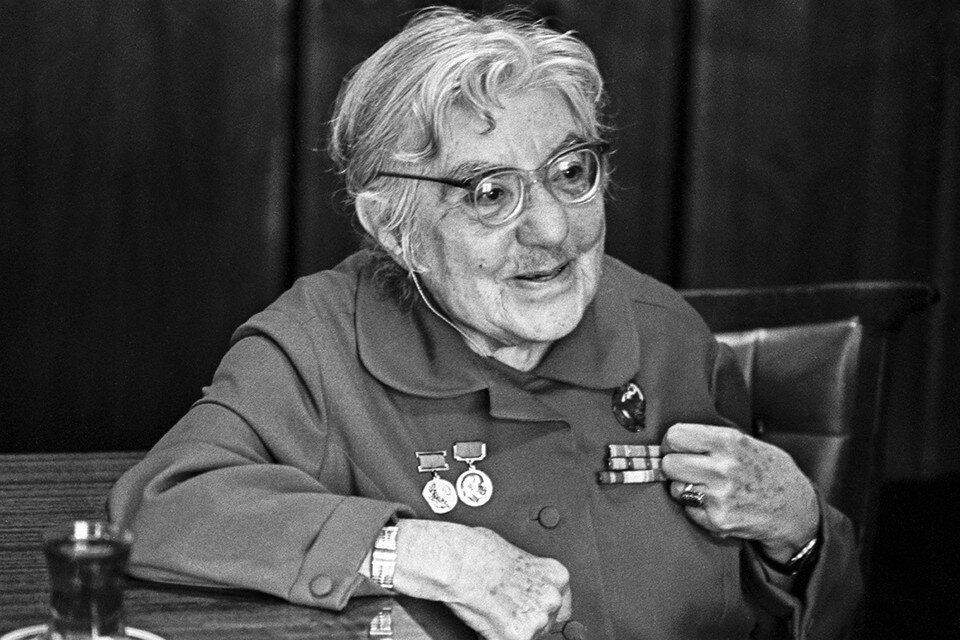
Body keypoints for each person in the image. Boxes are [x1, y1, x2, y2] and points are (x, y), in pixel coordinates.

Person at [108, 7, 862, 639]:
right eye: (489, 194)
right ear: (394, 229)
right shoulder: (318, 344)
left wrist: (799, 530)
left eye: (570, 173)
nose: (552, 231)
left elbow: (799, 607)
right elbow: (160, 508)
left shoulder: (667, 335)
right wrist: (424, 553)